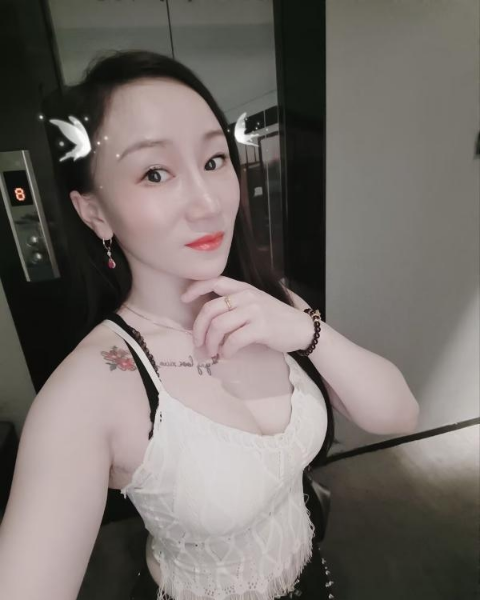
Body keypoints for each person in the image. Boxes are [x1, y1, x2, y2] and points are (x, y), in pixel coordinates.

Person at [0, 49, 419, 600]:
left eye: (215, 160)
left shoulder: (267, 304)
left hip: (314, 576)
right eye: (155, 173)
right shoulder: (92, 389)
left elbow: (399, 414)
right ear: (94, 212)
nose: (207, 203)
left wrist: (304, 330)